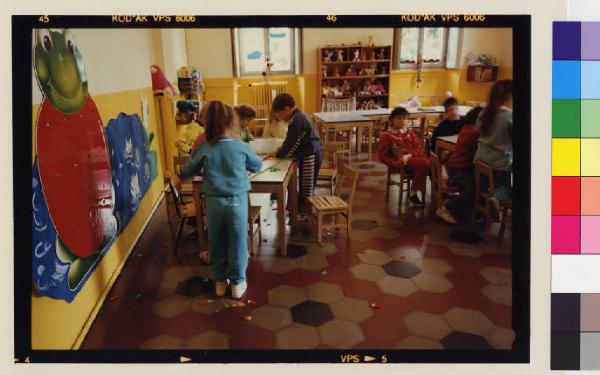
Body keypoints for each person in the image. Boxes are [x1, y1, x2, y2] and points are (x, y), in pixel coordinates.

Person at [182, 100, 262, 299]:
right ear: (231, 121)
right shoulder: (240, 145)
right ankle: (237, 283)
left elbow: (189, 170)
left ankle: (219, 282)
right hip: (237, 201)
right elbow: (257, 165)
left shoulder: (205, 147)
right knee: (238, 243)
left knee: (216, 242)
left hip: (214, 203)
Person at [271, 93, 323, 219]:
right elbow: (291, 141)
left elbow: (291, 144)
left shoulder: (297, 120)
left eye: (280, 114)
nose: (280, 118)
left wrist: (279, 154)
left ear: (287, 109)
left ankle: (304, 214)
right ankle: (299, 209)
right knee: (305, 184)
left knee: (307, 186)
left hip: (311, 154)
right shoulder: (298, 116)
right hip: (310, 152)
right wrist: (280, 152)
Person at [435, 106, 484, 224]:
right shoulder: (474, 132)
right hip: (459, 170)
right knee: (470, 192)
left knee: (479, 185)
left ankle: (475, 212)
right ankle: (445, 208)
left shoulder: (466, 127)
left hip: (456, 166)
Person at [474, 79, 513, 222]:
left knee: (484, 187)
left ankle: (481, 213)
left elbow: (478, 131)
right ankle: (496, 199)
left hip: (481, 159)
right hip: (499, 163)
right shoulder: (509, 116)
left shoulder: (484, 113)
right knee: (506, 186)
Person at [377, 107, 430, 206]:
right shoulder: (387, 136)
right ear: (391, 120)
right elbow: (382, 155)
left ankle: (438, 190)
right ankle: (413, 191)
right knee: (425, 163)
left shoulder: (409, 133)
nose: (403, 121)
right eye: (399, 118)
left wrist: (409, 155)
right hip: (399, 163)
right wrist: (393, 162)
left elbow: (419, 148)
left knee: (432, 163)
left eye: (405, 118)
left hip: (412, 159)